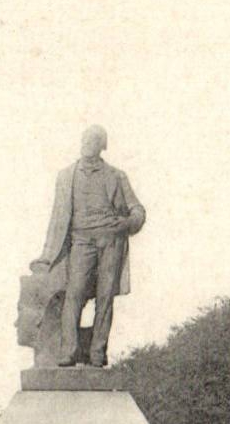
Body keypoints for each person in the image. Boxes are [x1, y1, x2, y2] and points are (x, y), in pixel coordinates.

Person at [31, 126, 145, 367]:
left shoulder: (117, 176)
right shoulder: (66, 176)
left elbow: (138, 210)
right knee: (74, 294)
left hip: (110, 241)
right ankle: (69, 351)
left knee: (105, 298)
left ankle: (97, 353)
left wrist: (128, 223)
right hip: (81, 241)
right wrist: (46, 255)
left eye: (93, 140)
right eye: (85, 139)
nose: (87, 143)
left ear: (102, 145)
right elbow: (57, 219)